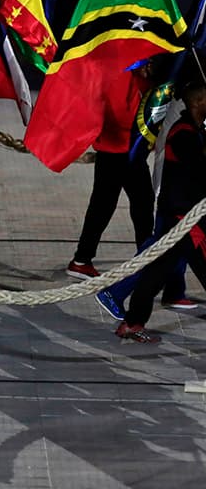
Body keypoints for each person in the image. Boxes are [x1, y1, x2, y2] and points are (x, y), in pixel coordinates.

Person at [97, 77, 206, 330]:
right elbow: (200, 173)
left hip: (178, 217)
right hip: (185, 220)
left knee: (157, 270)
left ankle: (133, 322)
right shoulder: (184, 134)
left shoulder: (192, 130)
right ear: (199, 102)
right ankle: (117, 294)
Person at [67, 65, 154, 279]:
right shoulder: (118, 72)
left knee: (104, 205)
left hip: (119, 149)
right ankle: (145, 260)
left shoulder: (128, 70)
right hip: (121, 150)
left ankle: (82, 259)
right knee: (140, 203)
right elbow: (121, 115)